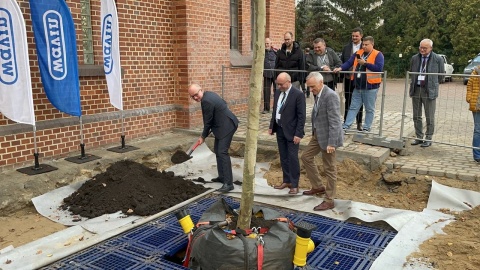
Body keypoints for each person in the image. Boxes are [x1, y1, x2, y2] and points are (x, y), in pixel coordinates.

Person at [301, 72, 344, 211]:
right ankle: (318, 186)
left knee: (329, 168)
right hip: (318, 134)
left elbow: (335, 121)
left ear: (321, 83)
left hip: (328, 137)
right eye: (309, 87)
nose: (311, 90)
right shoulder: (317, 93)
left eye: (313, 87)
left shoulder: (330, 96)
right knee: (306, 157)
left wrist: (332, 142)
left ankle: (329, 200)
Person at [188, 84, 239, 192]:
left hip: (227, 126)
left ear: (201, 89)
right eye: (192, 96)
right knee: (217, 150)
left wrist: (203, 136)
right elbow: (223, 104)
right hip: (222, 125)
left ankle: (229, 184)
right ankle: (222, 177)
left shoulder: (206, 101)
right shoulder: (209, 94)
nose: (195, 98)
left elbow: (208, 122)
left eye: (196, 94)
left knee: (222, 152)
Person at [333, 36, 384, 133]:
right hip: (358, 86)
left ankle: (367, 127)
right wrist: (340, 68)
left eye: (366, 45)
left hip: (370, 87)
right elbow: (349, 63)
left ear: (372, 44)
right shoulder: (358, 53)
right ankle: (346, 126)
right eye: (363, 44)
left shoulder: (378, 54)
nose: (364, 46)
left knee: (369, 109)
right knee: (353, 107)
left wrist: (365, 63)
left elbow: (379, 68)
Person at [268, 72, 306, 194]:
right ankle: (287, 180)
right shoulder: (278, 92)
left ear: (288, 82)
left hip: (292, 131)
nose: (279, 86)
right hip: (280, 129)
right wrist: (271, 126)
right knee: (283, 156)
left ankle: (294, 184)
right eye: (277, 84)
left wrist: (298, 133)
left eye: (281, 84)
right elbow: (275, 110)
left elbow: (301, 116)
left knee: (292, 158)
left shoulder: (298, 95)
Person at [409, 39, 445, 148]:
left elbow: (441, 76)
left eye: (425, 48)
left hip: (429, 90)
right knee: (416, 115)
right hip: (416, 89)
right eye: (421, 47)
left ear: (431, 48)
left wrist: (432, 83)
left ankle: (428, 138)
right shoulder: (415, 58)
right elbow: (411, 72)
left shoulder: (438, 59)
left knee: (430, 116)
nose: (422, 50)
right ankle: (419, 137)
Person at [341, 27, 364, 131]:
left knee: (360, 100)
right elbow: (343, 62)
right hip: (348, 78)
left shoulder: (365, 47)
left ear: (361, 36)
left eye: (356, 36)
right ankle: (346, 121)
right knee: (348, 99)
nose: (354, 37)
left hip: (360, 78)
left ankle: (359, 122)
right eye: (353, 36)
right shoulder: (346, 48)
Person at [465, 65, 480, 163]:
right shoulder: (475, 72)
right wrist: (469, 98)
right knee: (478, 130)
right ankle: (477, 155)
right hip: (477, 104)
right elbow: (469, 86)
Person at [263, 38, 277, 114]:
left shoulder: (275, 52)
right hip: (266, 74)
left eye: (268, 43)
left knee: (277, 91)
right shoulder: (262, 53)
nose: (266, 45)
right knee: (266, 91)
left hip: (275, 74)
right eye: (265, 43)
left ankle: (276, 108)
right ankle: (266, 108)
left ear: (271, 44)